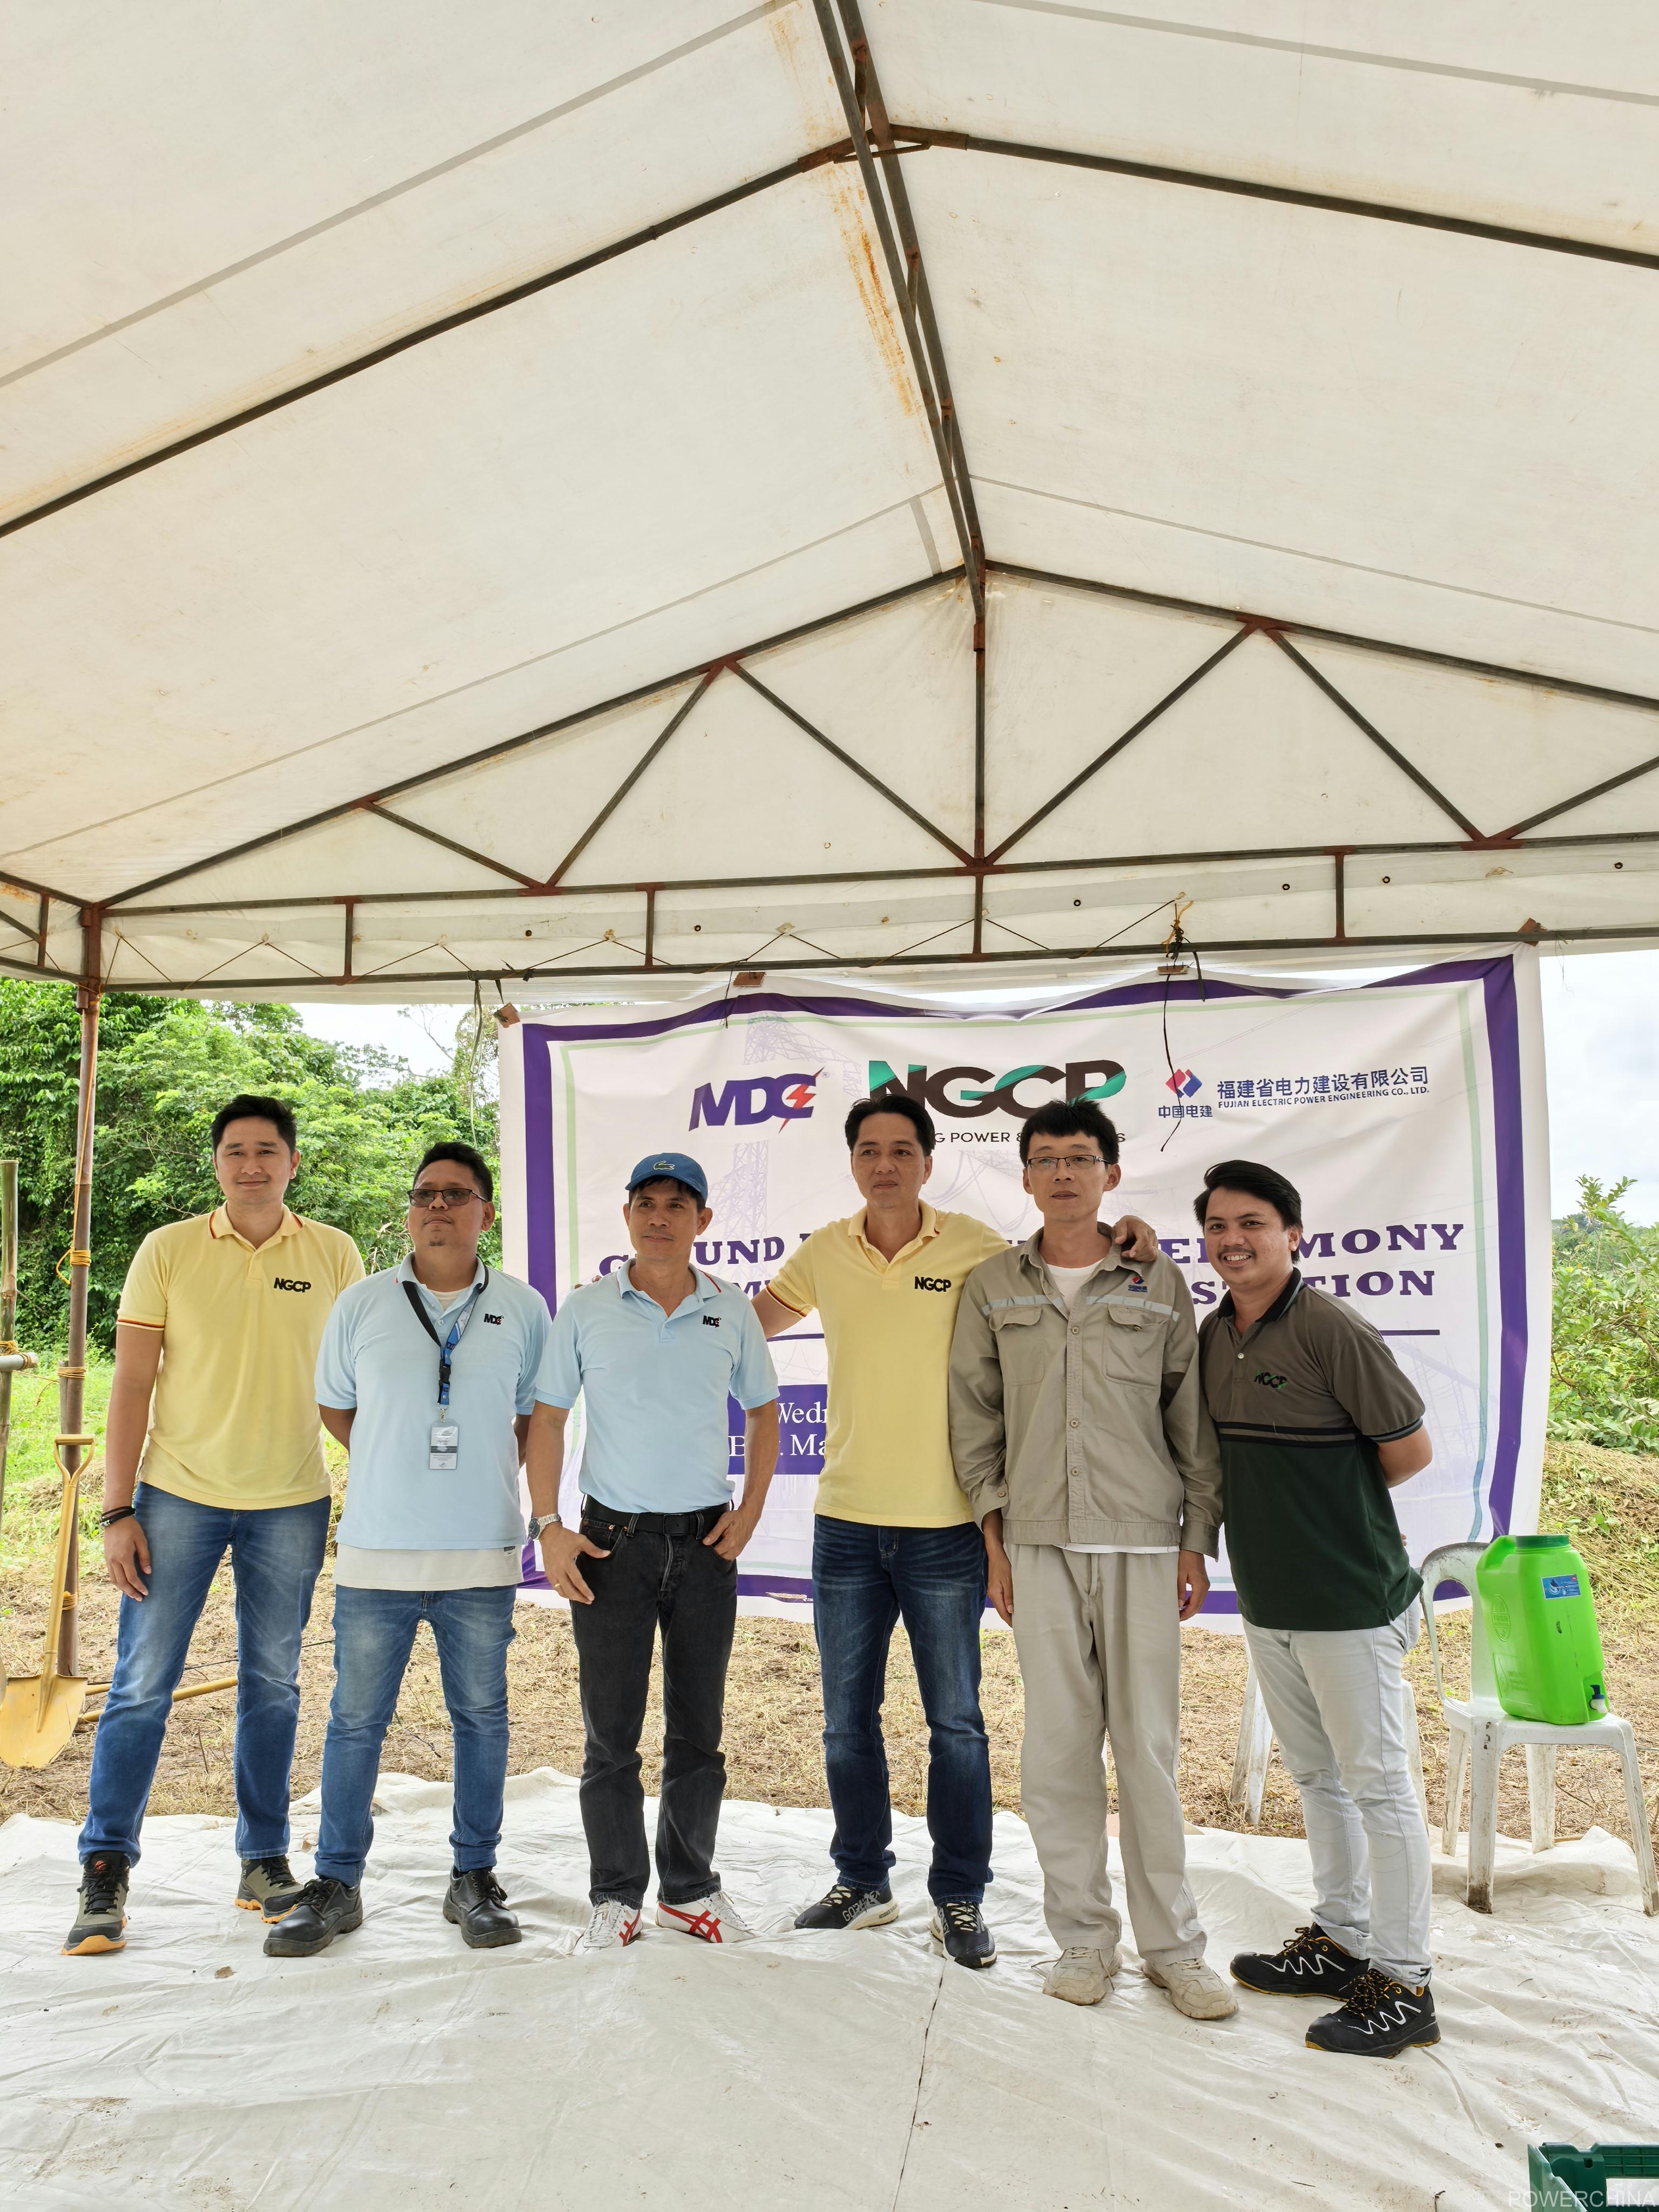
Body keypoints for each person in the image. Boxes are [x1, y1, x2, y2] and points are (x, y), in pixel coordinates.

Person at [948, 1099, 1236, 2020]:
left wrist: (1195, 1538)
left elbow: (1190, 1416)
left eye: (1080, 1158)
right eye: (1046, 1159)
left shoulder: (1157, 1280)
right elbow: (975, 1421)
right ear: (1026, 1177)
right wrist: (994, 1541)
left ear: (1111, 1173)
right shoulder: (993, 1285)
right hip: (1036, 1544)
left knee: (1148, 1751)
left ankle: (1175, 1951)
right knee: (1058, 1752)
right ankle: (1081, 1939)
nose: (1063, 1173)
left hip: (1144, 1540)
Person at [64, 1095, 365, 1957]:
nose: (251, 1165)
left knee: (273, 1685)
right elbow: (131, 1385)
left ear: (293, 1163)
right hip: (176, 1497)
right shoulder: (167, 1250)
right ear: (217, 1162)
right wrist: (117, 1509)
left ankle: (263, 1859)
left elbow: (357, 1383)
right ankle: (105, 1867)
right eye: (236, 1150)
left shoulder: (335, 1253)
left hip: (291, 1500)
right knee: (140, 1685)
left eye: (268, 1150)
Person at [268, 1141, 561, 1957]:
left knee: (482, 1720)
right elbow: (337, 1408)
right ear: (409, 1211)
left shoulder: (523, 1307)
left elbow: (535, 1417)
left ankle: (474, 1877)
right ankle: (336, 1883)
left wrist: (483, 1471)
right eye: (425, 1193)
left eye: (456, 1194)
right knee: (356, 1721)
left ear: (485, 1214)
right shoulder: (361, 1302)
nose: (438, 1206)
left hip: (481, 1553)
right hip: (378, 1552)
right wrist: (394, 1457)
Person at [750, 1094, 1010, 1967]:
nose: (886, 1164)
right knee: (844, 1722)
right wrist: (659, 1303)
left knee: (957, 1725)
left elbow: (1051, 1296)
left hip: (946, 1527)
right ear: (853, 1162)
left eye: (902, 1150)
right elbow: (750, 1328)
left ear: (928, 1162)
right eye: (870, 1150)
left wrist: (1130, 1239)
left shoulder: (976, 1247)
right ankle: (862, 1880)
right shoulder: (827, 1249)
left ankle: (961, 1896)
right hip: (847, 1525)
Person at [1195, 1159, 1439, 2058]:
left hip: (1349, 1599)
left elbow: (1409, 1452)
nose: (1233, 1241)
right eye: (1218, 1227)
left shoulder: (1331, 1327)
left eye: (1252, 1224)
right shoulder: (1215, 1332)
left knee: (1378, 1786)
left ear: (1292, 1234)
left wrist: (1333, 1508)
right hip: (1269, 1599)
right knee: (1319, 1778)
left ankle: (1407, 1984)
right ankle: (1342, 1940)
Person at [536, 1151, 779, 1951]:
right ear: (628, 1216)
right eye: (647, 1202)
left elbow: (765, 1410)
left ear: (703, 1220)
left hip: (706, 1544)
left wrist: (750, 1510)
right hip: (613, 1544)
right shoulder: (587, 1308)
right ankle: (616, 1896)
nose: (660, 1217)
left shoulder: (730, 1309)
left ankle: (688, 1889)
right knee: (611, 1736)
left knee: (698, 1733)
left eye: (678, 1204)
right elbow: (548, 1418)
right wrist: (549, 1523)